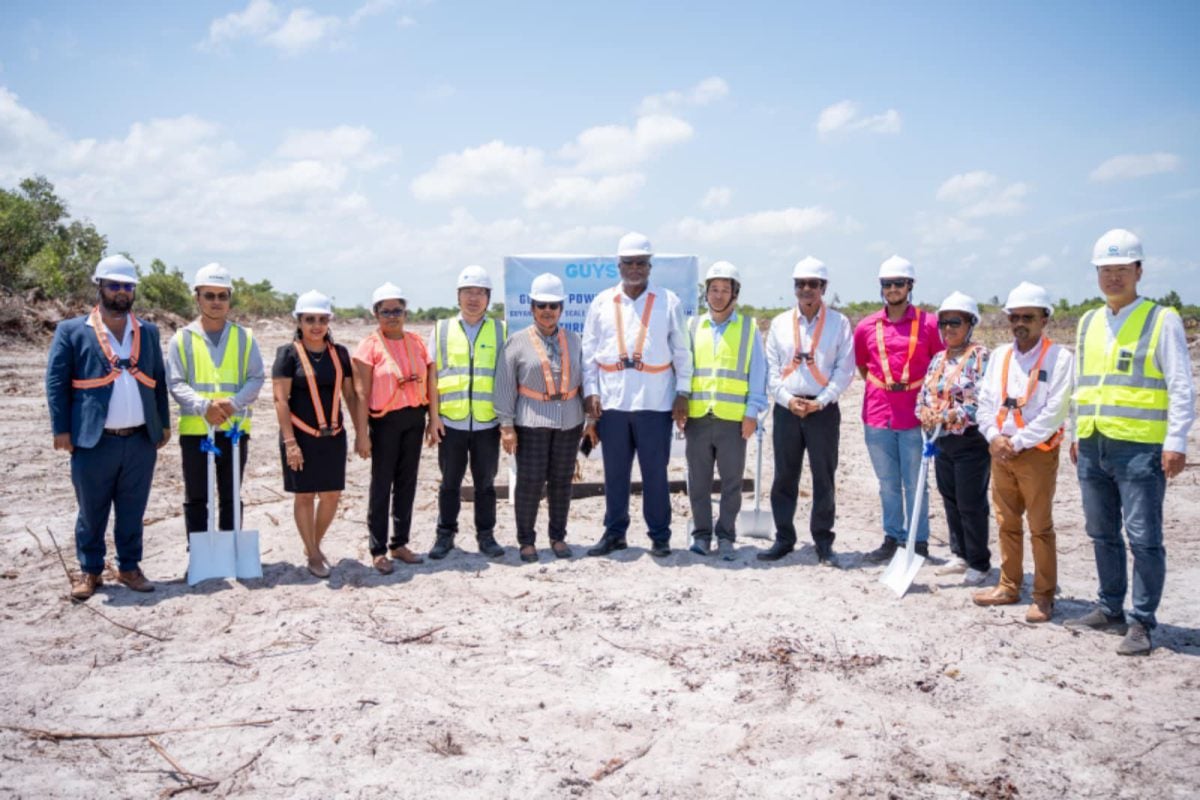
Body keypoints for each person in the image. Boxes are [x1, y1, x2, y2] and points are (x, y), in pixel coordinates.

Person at [1065, 229, 1195, 655]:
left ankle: (1141, 621)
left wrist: (1176, 441)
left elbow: (1181, 386)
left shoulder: (1162, 319)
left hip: (1140, 449)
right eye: (1106, 270)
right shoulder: (1088, 322)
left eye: (1122, 269)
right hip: (1093, 443)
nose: (1113, 277)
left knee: (1143, 537)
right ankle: (1109, 607)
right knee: (1101, 531)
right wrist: (1076, 430)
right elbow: (1081, 384)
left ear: (1139, 270)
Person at [45, 255, 171, 600]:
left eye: (127, 286)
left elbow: (157, 381)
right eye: (113, 285)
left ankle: (129, 567)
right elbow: (56, 383)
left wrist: (162, 424)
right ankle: (89, 571)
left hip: (140, 440)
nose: (121, 292)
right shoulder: (72, 331)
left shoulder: (148, 331)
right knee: (91, 509)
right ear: (99, 286)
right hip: (93, 439)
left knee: (133, 509)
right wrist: (61, 429)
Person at [582, 232, 692, 557]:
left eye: (640, 263)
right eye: (628, 262)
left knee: (655, 473)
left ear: (649, 265)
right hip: (613, 403)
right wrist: (591, 393)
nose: (634, 268)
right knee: (615, 473)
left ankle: (660, 535)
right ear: (618, 265)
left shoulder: (668, 301)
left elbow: (682, 351)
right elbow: (589, 353)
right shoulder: (602, 302)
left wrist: (683, 391)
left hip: (654, 402)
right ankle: (615, 532)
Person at [973, 282, 1072, 623]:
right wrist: (993, 436)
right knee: (1006, 522)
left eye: (1028, 316)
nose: (1020, 323)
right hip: (999, 451)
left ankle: (1043, 596)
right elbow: (984, 402)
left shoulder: (1059, 358)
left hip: (1035, 453)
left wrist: (1015, 442)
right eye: (1014, 316)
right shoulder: (1000, 356)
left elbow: (1055, 412)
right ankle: (1009, 585)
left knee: (1040, 525)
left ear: (1045, 319)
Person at [760, 257, 855, 566]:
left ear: (823, 287)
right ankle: (784, 538)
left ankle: (823, 541)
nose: (806, 290)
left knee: (823, 477)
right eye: (800, 284)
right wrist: (788, 400)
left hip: (823, 411)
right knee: (785, 476)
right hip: (787, 409)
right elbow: (771, 371)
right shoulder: (779, 324)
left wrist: (822, 400)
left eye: (812, 284)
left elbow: (845, 369)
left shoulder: (839, 324)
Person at [855, 255, 944, 563]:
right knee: (888, 484)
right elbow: (863, 366)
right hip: (878, 414)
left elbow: (940, 367)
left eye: (898, 284)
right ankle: (893, 537)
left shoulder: (930, 324)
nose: (892, 289)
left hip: (915, 417)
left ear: (910, 286)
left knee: (916, 481)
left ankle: (918, 542)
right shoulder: (866, 326)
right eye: (887, 284)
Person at [167, 263, 264, 543]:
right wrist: (203, 407)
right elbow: (175, 382)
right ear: (197, 297)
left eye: (222, 295)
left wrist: (233, 404)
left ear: (229, 298)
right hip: (197, 430)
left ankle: (230, 547)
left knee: (232, 493)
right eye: (209, 295)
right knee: (197, 495)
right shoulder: (182, 339)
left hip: (234, 430)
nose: (216, 302)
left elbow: (256, 377)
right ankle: (199, 552)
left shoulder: (245, 338)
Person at [495, 273, 584, 562]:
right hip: (531, 422)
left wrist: (590, 421)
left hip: (569, 422)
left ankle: (558, 537)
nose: (548, 311)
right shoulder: (517, 343)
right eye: (541, 305)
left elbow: (584, 380)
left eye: (553, 306)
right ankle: (526, 541)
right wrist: (507, 426)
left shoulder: (574, 340)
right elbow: (506, 385)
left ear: (561, 308)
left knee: (561, 481)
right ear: (532, 308)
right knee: (530, 482)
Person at [272, 291, 361, 579]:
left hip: (333, 437)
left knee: (332, 495)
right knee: (305, 496)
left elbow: (349, 394)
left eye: (322, 319)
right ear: (299, 321)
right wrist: (290, 443)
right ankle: (312, 552)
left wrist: (362, 433)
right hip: (299, 437)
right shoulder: (287, 354)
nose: (316, 325)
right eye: (310, 319)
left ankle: (315, 542)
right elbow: (280, 400)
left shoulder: (340, 354)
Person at [683, 261, 768, 561]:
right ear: (706, 293)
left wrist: (752, 412)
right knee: (698, 482)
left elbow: (758, 373)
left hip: (734, 421)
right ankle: (702, 535)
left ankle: (726, 535)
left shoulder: (748, 328)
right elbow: (684, 371)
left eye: (724, 290)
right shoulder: (693, 326)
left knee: (732, 482)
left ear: (735, 293)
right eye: (713, 289)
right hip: (698, 418)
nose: (718, 296)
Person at [351, 282, 436, 574]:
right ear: (376, 314)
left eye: (397, 310)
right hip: (384, 422)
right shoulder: (369, 346)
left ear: (405, 312)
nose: (392, 316)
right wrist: (362, 434)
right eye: (385, 311)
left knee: (407, 483)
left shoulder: (417, 342)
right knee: (381, 484)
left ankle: (399, 543)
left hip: (414, 419)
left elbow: (431, 382)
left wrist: (433, 421)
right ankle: (377, 549)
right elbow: (361, 392)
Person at [428, 265, 507, 560]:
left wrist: (506, 420)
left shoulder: (501, 329)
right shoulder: (441, 329)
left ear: (488, 298)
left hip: (488, 422)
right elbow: (432, 376)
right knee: (449, 483)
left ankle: (486, 536)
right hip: (451, 422)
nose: (474, 298)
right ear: (458, 297)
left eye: (480, 293)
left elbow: (506, 377)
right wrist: (433, 418)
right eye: (468, 292)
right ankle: (445, 536)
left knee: (485, 484)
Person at [916, 292, 992, 586]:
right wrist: (924, 412)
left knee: (970, 501)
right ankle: (959, 554)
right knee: (950, 498)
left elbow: (985, 398)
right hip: (941, 440)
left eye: (955, 322)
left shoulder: (981, 357)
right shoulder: (938, 358)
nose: (948, 329)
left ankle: (978, 561)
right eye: (943, 323)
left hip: (970, 441)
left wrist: (953, 415)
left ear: (970, 324)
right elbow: (925, 392)